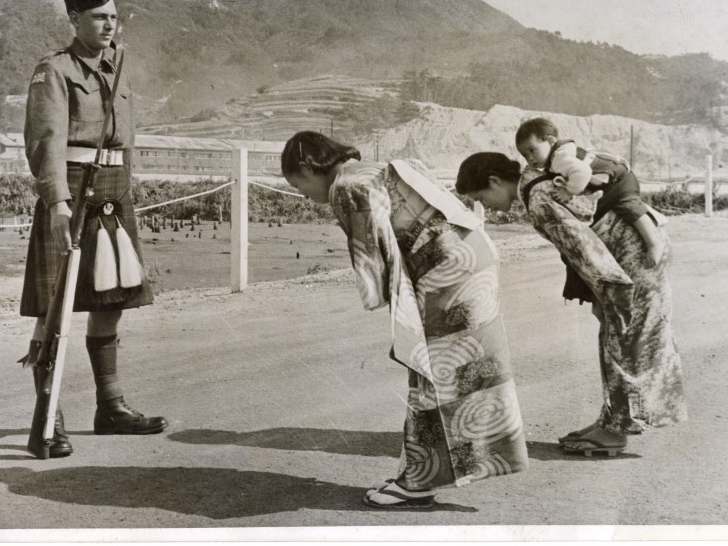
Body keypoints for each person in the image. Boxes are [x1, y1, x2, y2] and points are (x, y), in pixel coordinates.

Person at [282, 131, 528, 509]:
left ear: (307, 167)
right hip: (470, 255)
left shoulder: (347, 185)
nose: (302, 194)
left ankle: (418, 481)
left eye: (298, 184)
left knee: (431, 371)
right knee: (465, 370)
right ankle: (426, 471)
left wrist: (384, 298)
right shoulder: (371, 168)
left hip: (445, 269)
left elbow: (372, 254)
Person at [19, 0, 167, 458]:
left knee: (112, 299)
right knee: (54, 307)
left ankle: (111, 408)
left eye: (114, 17)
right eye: (100, 17)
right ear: (75, 20)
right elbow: (45, 143)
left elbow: (126, 141)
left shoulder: (117, 66)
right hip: (73, 192)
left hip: (113, 192)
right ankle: (48, 419)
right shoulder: (55, 70)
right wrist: (57, 202)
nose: (110, 25)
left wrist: (126, 191)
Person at [455, 152, 687, 457]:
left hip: (636, 258)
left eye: (480, 198)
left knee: (625, 341)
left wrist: (609, 296)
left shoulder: (538, 199)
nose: (484, 206)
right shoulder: (534, 183)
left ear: (495, 181)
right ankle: (612, 421)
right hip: (632, 253)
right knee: (618, 338)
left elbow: (583, 249)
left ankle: (615, 432)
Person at [515, 117, 664, 265]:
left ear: (551, 141)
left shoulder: (560, 158)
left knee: (628, 205)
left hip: (619, 179)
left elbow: (583, 172)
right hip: (604, 183)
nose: (530, 158)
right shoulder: (555, 158)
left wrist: (569, 192)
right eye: (525, 155)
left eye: (532, 150)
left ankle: (654, 243)